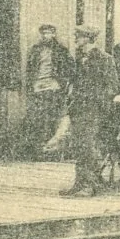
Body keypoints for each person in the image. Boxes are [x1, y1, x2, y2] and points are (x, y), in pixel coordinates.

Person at [52, 25, 117, 197]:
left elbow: (111, 87)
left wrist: (96, 104)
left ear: (88, 38)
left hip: (93, 110)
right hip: (79, 109)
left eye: (79, 36)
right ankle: (79, 184)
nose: (76, 39)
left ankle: (91, 186)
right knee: (80, 146)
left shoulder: (104, 59)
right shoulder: (80, 58)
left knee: (88, 146)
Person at [23, 24, 74, 159]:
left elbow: (69, 68)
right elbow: (30, 69)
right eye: (44, 33)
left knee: (52, 118)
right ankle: (39, 150)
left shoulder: (61, 50)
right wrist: (31, 85)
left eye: (49, 33)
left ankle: (52, 150)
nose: (46, 36)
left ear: (53, 34)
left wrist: (63, 83)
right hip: (38, 87)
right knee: (38, 119)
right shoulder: (35, 50)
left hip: (53, 87)